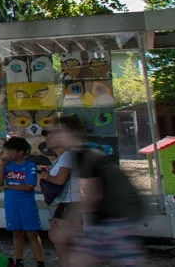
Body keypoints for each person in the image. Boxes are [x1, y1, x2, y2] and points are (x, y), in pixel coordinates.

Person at [55, 114, 145, 267]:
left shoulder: (82, 155)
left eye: (58, 131)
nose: (55, 136)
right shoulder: (86, 151)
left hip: (110, 221)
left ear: (70, 132)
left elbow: (91, 195)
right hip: (109, 221)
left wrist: (69, 224)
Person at [0, 137, 45, 267]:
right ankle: (19, 260)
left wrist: (9, 186)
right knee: (16, 233)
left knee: (32, 233)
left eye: (10, 151)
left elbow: (29, 186)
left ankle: (40, 261)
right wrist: (1, 165)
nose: (8, 154)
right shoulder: (7, 165)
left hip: (27, 205)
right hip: (11, 204)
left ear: (21, 152)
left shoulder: (30, 166)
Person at [42, 129, 79, 266]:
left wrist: (45, 176)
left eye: (51, 137)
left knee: (60, 238)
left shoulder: (66, 156)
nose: (48, 140)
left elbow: (59, 180)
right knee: (58, 237)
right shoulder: (62, 158)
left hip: (70, 202)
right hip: (65, 202)